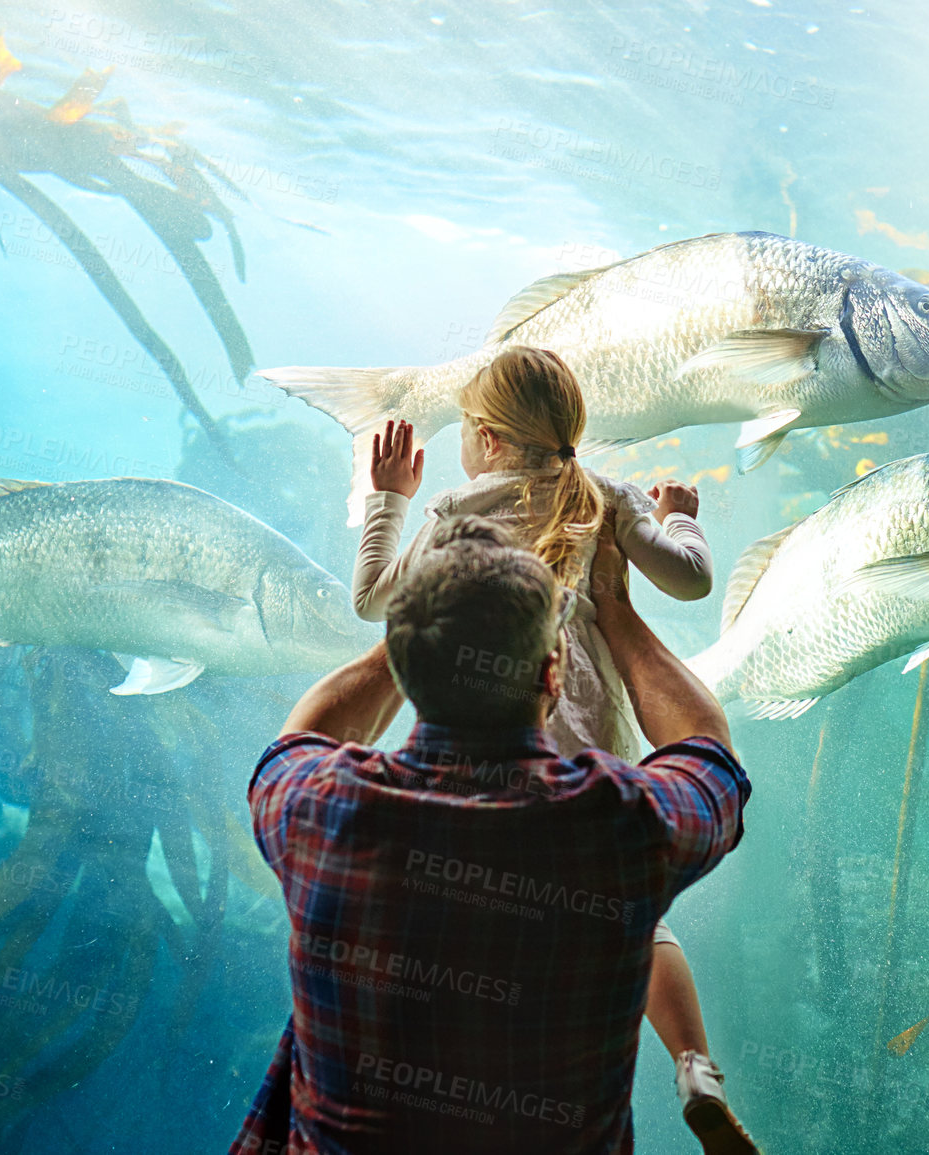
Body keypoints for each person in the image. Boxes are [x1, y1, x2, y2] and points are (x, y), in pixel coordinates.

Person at [232, 515, 751, 1154]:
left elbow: (298, 739)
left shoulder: (319, 811)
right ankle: (694, 1062)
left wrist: (418, 626)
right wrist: (614, 604)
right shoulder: (616, 825)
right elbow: (709, 755)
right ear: (553, 673)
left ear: (403, 659)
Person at [349, 346, 751, 1152]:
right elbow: (691, 581)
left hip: (488, 734)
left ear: (488, 437)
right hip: (589, 742)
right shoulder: (602, 497)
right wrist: (678, 518)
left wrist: (388, 497)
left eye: (464, 425)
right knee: (638, 919)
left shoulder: (458, 510)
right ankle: (694, 1064)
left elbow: (373, 601)